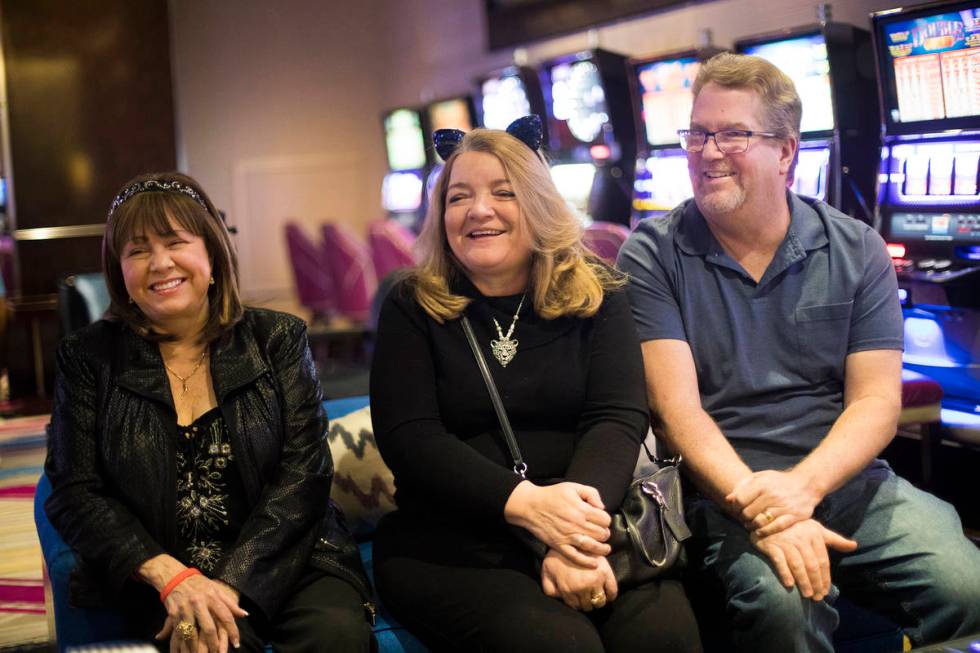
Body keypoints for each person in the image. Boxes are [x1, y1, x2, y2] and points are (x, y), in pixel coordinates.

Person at [618, 52, 980, 652]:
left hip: (847, 480)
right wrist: (766, 508)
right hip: (724, 492)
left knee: (967, 585)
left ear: (786, 152)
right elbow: (676, 414)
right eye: (697, 133)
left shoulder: (856, 245)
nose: (707, 152)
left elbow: (875, 403)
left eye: (733, 134)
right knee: (785, 605)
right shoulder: (651, 253)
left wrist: (802, 489)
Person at [369, 119, 702, 653]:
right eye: (460, 197)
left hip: (594, 523)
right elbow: (411, 438)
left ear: (541, 203)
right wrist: (527, 506)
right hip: (455, 538)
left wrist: (573, 538)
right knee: (558, 645)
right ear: (442, 214)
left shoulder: (602, 292)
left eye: (505, 192)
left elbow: (616, 417)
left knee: (667, 641)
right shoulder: (411, 303)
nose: (480, 210)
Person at [44, 172, 374, 653]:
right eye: (137, 251)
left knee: (336, 639)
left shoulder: (277, 338)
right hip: (166, 576)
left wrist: (229, 583)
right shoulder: (87, 358)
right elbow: (74, 493)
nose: (160, 263)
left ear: (212, 256)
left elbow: (305, 475)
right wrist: (172, 578)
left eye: (176, 241)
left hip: (291, 559)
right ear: (120, 273)